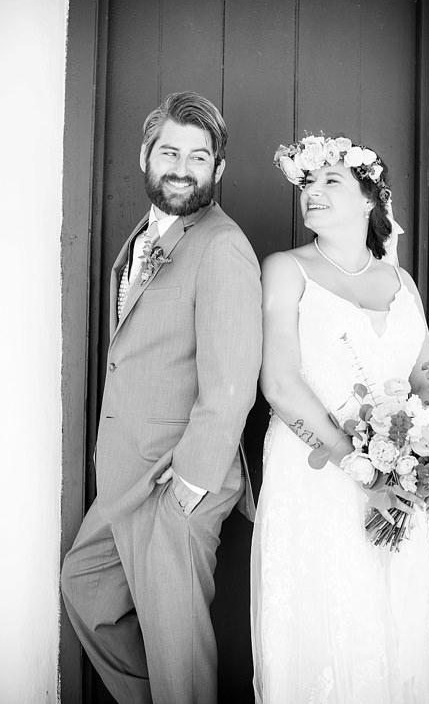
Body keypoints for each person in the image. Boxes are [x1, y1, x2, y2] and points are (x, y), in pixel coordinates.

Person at [60, 91, 263, 703]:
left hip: (177, 477)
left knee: (178, 646)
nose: (182, 167)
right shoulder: (149, 233)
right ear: (146, 156)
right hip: (130, 474)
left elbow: (231, 379)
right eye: (170, 151)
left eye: (198, 157)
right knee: (86, 585)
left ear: (218, 170)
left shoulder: (221, 246)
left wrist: (191, 487)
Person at [251, 134, 429, 702]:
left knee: (390, 619)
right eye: (308, 182)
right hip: (315, 477)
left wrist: (419, 469)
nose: (313, 191)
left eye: (331, 180)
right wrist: (365, 469)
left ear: (368, 199)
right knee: (324, 615)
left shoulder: (400, 282)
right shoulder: (286, 270)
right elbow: (280, 383)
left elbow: (427, 379)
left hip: (397, 484)